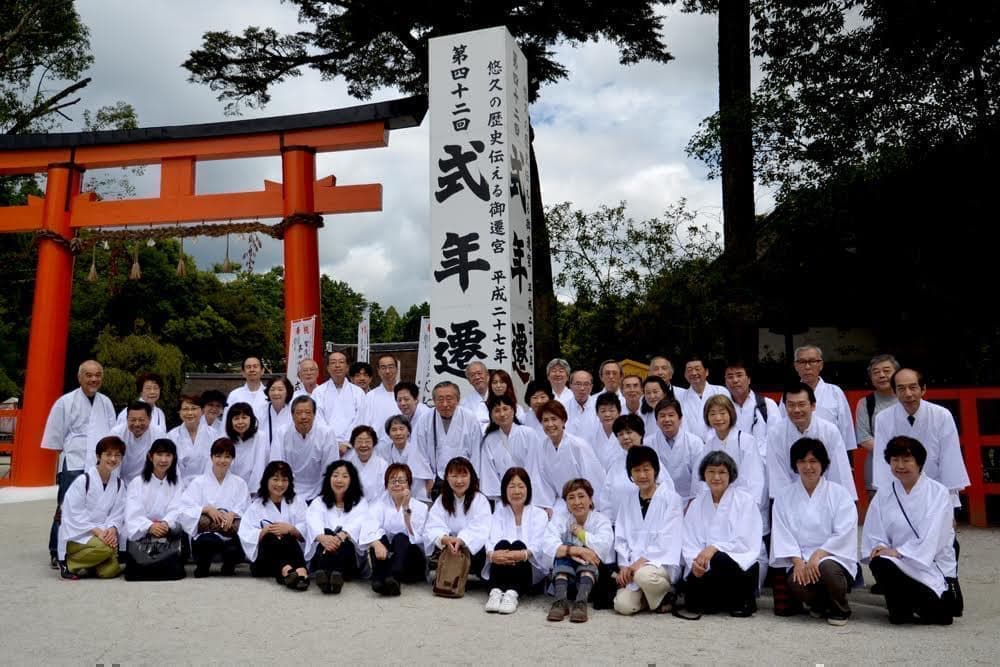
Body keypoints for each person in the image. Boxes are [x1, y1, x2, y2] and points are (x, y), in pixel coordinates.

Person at [862, 436, 957, 625]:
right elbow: (875, 531)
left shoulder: (938, 492)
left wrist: (900, 551)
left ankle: (915, 603)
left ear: (919, 462)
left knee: (941, 616)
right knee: (879, 560)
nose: (900, 465)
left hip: (929, 562)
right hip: (896, 562)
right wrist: (882, 547)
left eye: (906, 460)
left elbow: (934, 533)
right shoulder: (884, 493)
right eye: (895, 460)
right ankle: (899, 607)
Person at [770, 438, 858, 625]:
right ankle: (820, 605)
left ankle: (841, 609)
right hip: (801, 558)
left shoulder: (839, 494)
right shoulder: (784, 496)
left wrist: (818, 555)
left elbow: (844, 531)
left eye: (813, 461)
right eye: (802, 461)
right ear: (795, 465)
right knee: (795, 580)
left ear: (822, 464)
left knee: (826, 568)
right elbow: (782, 532)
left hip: (832, 557)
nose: (808, 467)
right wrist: (797, 561)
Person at [42, 360, 117, 567]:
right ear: (80, 377)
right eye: (89, 375)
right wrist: (67, 456)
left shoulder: (106, 402)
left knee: (93, 505)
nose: (94, 379)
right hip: (75, 459)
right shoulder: (66, 401)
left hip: (99, 462)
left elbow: (112, 432)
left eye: (98, 375)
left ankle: (84, 546)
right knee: (65, 506)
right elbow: (56, 435)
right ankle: (55, 549)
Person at [873, 368, 970, 509]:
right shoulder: (883, 418)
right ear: (894, 392)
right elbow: (882, 460)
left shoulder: (942, 415)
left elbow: (950, 457)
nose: (908, 394)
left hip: (936, 486)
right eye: (901, 388)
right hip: (899, 487)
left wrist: (950, 499)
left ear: (923, 389)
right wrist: (885, 494)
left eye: (913, 387)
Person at [682, 451, 762, 617]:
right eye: (711, 471)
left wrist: (714, 548)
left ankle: (744, 599)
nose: (716, 477)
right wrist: (694, 562)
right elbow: (688, 539)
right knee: (693, 605)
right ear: (704, 474)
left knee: (720, 558)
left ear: (731, 475)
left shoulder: (745, 501)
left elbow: (746, 540)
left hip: (735, 564)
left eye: (722, 472)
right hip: (704, 565)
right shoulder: (697, 503)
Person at [613, 446, 685, 616]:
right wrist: (624, 566)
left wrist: (638, 564)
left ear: (656, 470)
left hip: (660, 565)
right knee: (623, 605)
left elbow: (668, 538)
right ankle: (655, 600)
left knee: (643, 575)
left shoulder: (671, 499)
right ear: (630, 473)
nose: (642, 475)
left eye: (647, 469)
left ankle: (667, 592)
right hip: (633, 567)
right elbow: (621, 537)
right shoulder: (628, 501)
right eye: (637, 470)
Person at [767, 383, 856, 502]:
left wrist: (837, 500)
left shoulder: (829, 430)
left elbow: (838, 471)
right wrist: (790, 501)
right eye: (791, 405)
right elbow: (778, 475)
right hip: (790, 499)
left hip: (825, 497)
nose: (796, 410)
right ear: (785, 407)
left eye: (801, 404)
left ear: (813, 406)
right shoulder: (775, 433)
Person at [543, 479, 615, 623]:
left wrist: (581, 534)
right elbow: (548, 545)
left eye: (581, 496)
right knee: (565, 548)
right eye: (571, 497)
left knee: (588, 551)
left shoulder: (601, 520)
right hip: (564, 582)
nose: (577, 502)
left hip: (591, 583)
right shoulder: (561, 519)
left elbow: (603, 547)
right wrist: (574, 550)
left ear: (590, 499)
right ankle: (560, 602)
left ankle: (581, 603)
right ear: (566, 503)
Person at [305, 460, 381, 594]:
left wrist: (343, 534)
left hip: (348, 555)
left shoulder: (360, 502)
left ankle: (330, 575)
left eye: (345, 476)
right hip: (323, 549)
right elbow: (313, 521)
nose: (339, 480)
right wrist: (322, 537)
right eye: (335, 475)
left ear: (352, 480)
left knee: (344, 541)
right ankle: (332, 576)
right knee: (327, 533)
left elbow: (361, 521)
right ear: (329, 478)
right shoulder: (318, 502)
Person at [177, 437, 250, 577]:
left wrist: (233, 513)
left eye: (227, 456)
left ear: (232, 459)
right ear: (211, 457)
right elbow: (184, 508)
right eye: (218, 456)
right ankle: (203, 565)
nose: (222, 460)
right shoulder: (198, 483)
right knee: (208, 540)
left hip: (229, 531)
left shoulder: (239, 483)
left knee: (237, 541)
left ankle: (229, 565)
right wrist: (206, 509)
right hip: (207, 531)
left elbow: (246, 507)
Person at [57, 435, 127, 580]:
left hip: (103, 534)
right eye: (108, 454)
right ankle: (69, 564)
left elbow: (118, 514)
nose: (113, 459)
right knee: (106, 548)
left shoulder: (119, 484)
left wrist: (112, 530)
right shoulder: (83, 481)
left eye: (117, 455)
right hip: (79, 535)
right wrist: (97, 532)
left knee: (109, 571)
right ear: (98, 456)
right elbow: (73, 513)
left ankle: (89, 565)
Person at [483, 468, 550, 614]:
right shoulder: (499, 513)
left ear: (528, 489)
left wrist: (521, 554)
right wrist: (492, 554)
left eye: (521, 486)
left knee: (519, 545)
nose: (516, 491)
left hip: (528, 568)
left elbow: (538, 545)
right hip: (502, 563)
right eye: (512, 487)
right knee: (501, 544)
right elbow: (491, 539)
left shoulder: (539, 514)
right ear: (505, 490)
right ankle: (495, 592)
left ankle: (512, 594)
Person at [238, 460, 310, 591]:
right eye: (275, 479)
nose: (280, 484)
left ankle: (298, 572)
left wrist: (292, 529)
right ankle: (288, 571)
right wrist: (263, 532)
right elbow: (245, 532)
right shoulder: (256, 506)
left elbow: (307, 526)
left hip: (292, 553)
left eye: (284, 480)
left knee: (289, 535)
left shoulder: (298, 502)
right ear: (267, 480)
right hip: (266, 560)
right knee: (270, 536)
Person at [123, 438, 186, 581]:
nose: (163, 460)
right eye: (159, 454)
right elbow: (133, 512)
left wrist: (165, 523)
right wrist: (150, 526)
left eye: (168, 455)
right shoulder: (137, 483)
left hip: (166, 531)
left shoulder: (177, 483)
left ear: (173, 458)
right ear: (150, 456)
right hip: (143, 534)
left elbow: (177, 508)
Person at [423, 457, 492, 584]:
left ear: (471, 477)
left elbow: (482, 527)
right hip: (449, 548)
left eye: (463, 475)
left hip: (472, 550)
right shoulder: (442, 500)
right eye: (454, 476)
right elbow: (433, 525)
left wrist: (461, 540)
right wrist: (444, 538)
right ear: (447, 477)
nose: (459, 481)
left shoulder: (480, 500)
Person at [412, 381, 483, 496]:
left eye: (449, 399)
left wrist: (474, 480)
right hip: (435, 479)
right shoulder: (425, 420)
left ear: (458, 399)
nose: (445, 404)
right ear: (434, 401)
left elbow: (477, 452)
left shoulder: (470, 418)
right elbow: (419, 452)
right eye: (440, 399)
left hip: (463, 478)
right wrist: (428, 480)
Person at [701, 395, 766, 518]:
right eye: (712, 414)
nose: (718, 418)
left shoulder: (747, 441)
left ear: (731, 414)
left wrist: (744, 508)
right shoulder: (708, 446)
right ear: (707, 418)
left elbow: (754, 480)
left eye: (722, 413)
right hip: (716, 507)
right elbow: (704, 482)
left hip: (742, 508)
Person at [535, 401, 606, 512]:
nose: (550, 424)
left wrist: (591, 505)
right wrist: (546, 505)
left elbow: (593, 477)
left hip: (582, 503)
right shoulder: (542, 447)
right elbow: (543, 482)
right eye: (545, 420)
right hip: (559, 503)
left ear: (563, 421)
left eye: (554, 419)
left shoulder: (578, 445)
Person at [370, 463, 429, 595]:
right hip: (388, 557)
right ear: (387, 485)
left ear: (409, 484)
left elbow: (417, 538)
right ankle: (381, 579)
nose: (397, 484)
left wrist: (406, 508)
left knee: (400, 537)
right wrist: (376, 543)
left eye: (401, 480)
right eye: (393, 481)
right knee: (379, 538)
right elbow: (370, 527)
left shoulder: (420, 507)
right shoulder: (379, 505)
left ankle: (391, 577)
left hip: (411, 562)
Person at [599, 414, 675, 519]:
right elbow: (606, 500)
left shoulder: (652, 460)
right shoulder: (615, 465)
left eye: (629, 432)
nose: (625, 437)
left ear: (641, 434)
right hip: (620, 525)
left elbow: (668, 493)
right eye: (620, 434)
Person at [785, 345, 857, 455]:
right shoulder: (789, 394)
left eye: (812, 361)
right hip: (798, 456)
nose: (807, 366)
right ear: (795, 366)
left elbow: (846, 430)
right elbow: (782, 427)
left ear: (821, 365)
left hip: (831, 454)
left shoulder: (835, 392)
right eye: (802, 362)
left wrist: (848, 461)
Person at [269, 396, 337, 502]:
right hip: (287, 488)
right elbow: (276, 464)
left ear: (314, 415)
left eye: (308, 412)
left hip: (318, 490)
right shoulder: (282, 433)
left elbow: (330, 468)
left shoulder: (326, 433)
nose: (303, 416)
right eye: (299, 412)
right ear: (292, 415)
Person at [480, 394, 543, 503]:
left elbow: (536, 467)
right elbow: (489, 473)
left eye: (505, 409)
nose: (502, 414)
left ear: (513, 411)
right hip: (504, 497)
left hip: (531, 494)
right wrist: (503, 496)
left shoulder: (528, 434)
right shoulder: (489, 440)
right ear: (492, 416)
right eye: (497, 410)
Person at [854, 354, 900, 499]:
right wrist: (896, 454)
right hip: (877, 466)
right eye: (876, 372)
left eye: (886, 371)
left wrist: (907, 456)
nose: (881, 375)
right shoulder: (866, 403)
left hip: (912, 464)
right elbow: (864, 437)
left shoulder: (908, 398)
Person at [648, 398, 705, 503]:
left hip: (688, 500)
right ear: (656, 421)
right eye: (662, 416)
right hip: (658, 500)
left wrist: (693, 503)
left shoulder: (695, 442)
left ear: (680, 419)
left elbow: (698, 477)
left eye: (671, 415)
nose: (666, 419)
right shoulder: (648, 443)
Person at [313, 351, 365, 457]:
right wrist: (332, 442)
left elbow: (360, 418)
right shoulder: (319, 391)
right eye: (333, 362)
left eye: (341, 362)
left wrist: (346, 442)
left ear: (347, 367)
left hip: (352, 446)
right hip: (326, 446)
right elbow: (317, 418)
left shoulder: (358, 392)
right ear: (327, 368)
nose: (337, 365)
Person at [724, 361, 778, 449]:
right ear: (725, 382)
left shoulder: (768, 405)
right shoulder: (722, 408)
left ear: (749, 379)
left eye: (739, 375)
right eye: (730, 377)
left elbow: (775, 439)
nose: (735, 380)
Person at [111, 401, 167, 483]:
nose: (137, 424)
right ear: (127, 419)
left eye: (141, 420)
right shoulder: (117, 433)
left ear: (150, 419)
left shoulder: (159, 434)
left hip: (149, 482)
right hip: (122, 482)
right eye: (133, 420)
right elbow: (111, 461)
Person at [167, 394, 214, 485]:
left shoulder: (213, 435)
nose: (190, 413)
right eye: (185, 409)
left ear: (202, 411)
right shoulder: (171, 436)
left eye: (193, 408)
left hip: (207, 485)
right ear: (179, 412)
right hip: (179, 486)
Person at [224, 401, 271, 488]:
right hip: (231, 487)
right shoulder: (225, 439)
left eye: (244, 417)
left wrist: (254, 489)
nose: (240, 422)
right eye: (236, 418)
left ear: (251, 419)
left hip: (256, 489)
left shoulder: (261, 437)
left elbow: (260, 465)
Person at [679, 356, 727, 441]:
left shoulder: (720, 391)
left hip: (719, 443)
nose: (694, 373)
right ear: (685, 375)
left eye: (697, 369)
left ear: (707, 372)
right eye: (689, 370)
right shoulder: (680, 397)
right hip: (691, 447)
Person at [363, 354, 400, 448]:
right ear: (378, 371)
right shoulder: (370, 396)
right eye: (383, 368)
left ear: (396, 369)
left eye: (391, 367)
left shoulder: (405, 395)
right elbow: (365, 425)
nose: (387, 371)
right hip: (378, 448)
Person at [345, 424, 389, 502]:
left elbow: (385, 493)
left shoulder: (383, 465)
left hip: (377, 508)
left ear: (374, 444)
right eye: (359, 441)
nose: (363, 445)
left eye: (368, 441)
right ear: (353, 444)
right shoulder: (347, 465)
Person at [589, 393, 623, 471]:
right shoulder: (591, 435)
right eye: (603, 411)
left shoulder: (625, 435)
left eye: (611, 410)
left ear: (619, 412)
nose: (607, 414)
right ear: (597, 413)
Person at [259, 376, 295, 448]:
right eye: (272, 389)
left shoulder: (294, 411)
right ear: (268, 392)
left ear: (287, 392)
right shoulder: (261, 411)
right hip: (265, 456)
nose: (276, 393)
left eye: (280, 389)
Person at [564, 370, 599, 439]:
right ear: (570, 386)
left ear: (591, 386)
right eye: (578, 384)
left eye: (586, 384)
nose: (582, 388)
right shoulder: (563, 408)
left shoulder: (599, 408)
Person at [460, 360, 491, 431]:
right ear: (469, 381)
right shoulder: (464, 403)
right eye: (472, 375)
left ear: (487, 375)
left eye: (479, 373)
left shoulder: (499, 396)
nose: (477, 377)